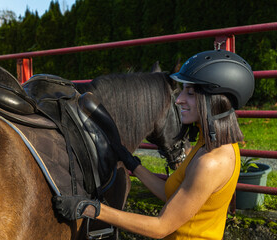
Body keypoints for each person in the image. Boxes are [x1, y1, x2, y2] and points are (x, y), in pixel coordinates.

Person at [53, 49, 255, 239]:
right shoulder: (210, 143)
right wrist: (131, 162)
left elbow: (161, 226)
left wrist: (91, 208)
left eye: (190, 93)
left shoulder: (211, 162)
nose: (179, 100)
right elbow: (171, 194)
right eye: (182, 91)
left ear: (216, 100)